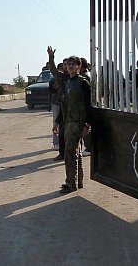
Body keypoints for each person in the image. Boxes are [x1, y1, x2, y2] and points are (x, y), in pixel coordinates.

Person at [53, 51, 92, 194]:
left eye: (73, 64)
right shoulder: (69, 83)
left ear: (79, 66)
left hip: (78, 123)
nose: (70, 66)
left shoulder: (83, 83)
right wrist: (57, 123)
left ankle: (71, 183)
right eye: (68, 64)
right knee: (76, 153)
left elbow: (89, 105)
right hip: (68, 122)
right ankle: (77, 182)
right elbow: (65, 105)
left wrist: (87, 124)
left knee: (70, 153)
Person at [47, 47, 69, 161]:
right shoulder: (61, 77)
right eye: (65, 64)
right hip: (62, 106)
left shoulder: (78, 79)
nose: (67, 66)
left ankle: (73, 156)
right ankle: (62, 153)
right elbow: (53, 70)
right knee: (61, 132)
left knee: (73, 134)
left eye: (69, 64)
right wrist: (51, 57)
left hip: (74, 108)